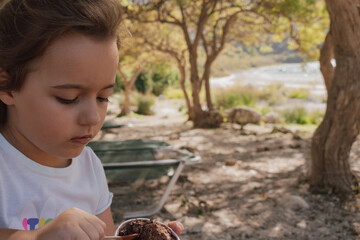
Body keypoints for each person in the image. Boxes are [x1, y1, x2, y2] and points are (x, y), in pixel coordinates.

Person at [0, 0, 183, 239]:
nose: (93, 117)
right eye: (68, 98)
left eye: (103, 97)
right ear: (7, 87)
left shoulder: (89, 166)